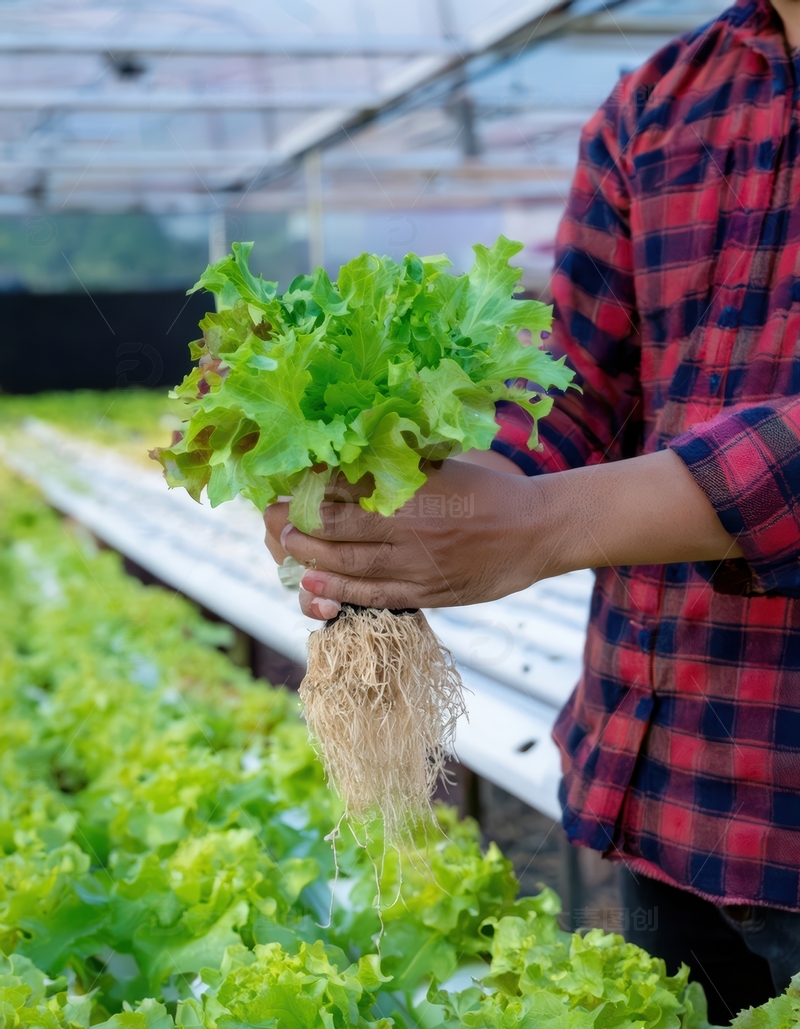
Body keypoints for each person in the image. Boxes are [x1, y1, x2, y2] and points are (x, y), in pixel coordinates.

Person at [265, 0, 800, 1020]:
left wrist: (546, 525)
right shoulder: (659, 103)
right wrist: (394, 496)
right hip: (669, 790)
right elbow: (570, 386)